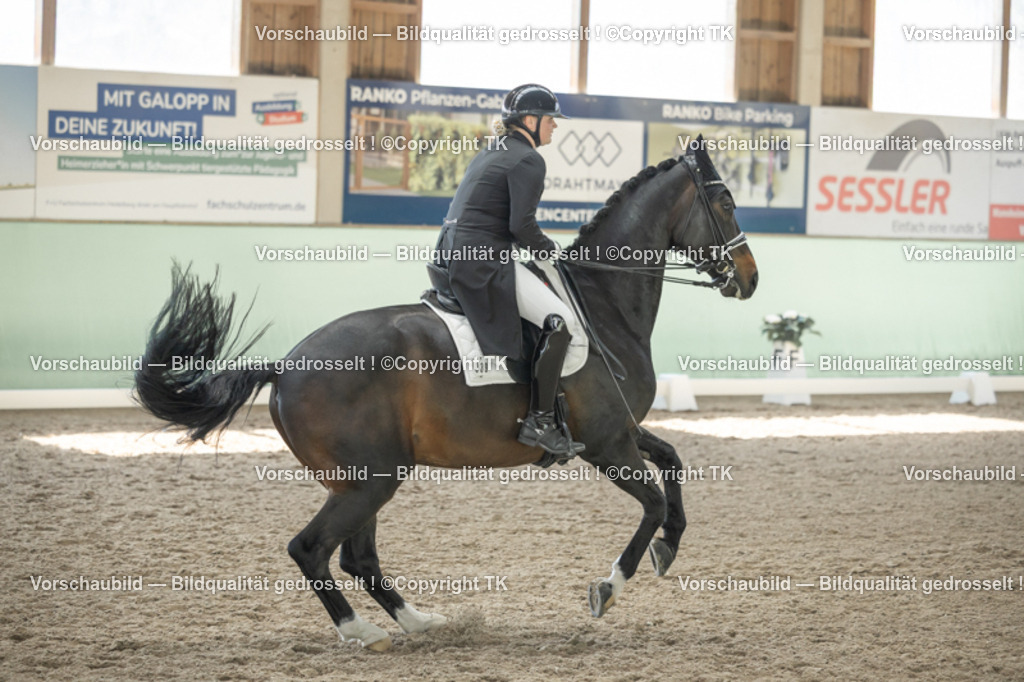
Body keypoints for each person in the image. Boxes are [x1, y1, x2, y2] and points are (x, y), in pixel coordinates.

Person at [432, 84, 583, 459]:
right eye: (551, 120)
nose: (555, 128)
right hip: (482, 261)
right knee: (560, 320)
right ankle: (541, 420)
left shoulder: (493, 150)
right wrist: (554, 255)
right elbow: (521, 227)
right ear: (530, 121)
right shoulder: (530, 160)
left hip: (450, 254)